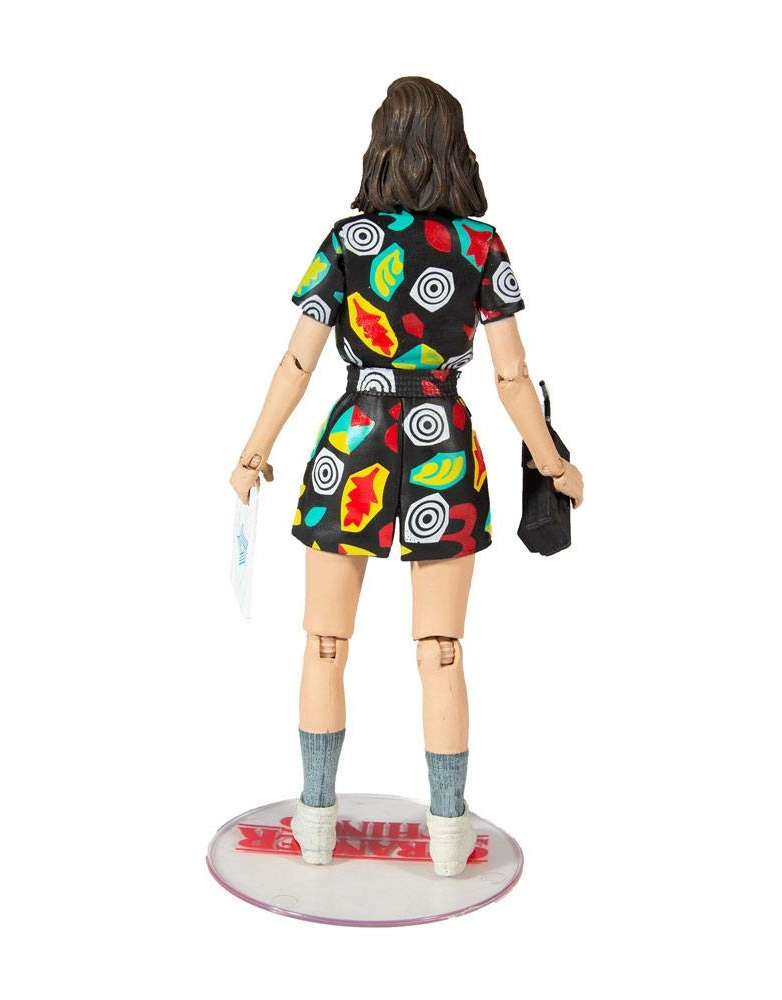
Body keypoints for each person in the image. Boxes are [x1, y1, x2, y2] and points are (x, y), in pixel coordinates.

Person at [229, 76, 584, 877]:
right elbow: (510, 376)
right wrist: (553, 463)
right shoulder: (480, 245)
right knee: (442, 651)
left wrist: (254, 451)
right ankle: (449, 836)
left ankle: (315, 823)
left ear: (381, 146)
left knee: (325, 644)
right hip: (442, 446)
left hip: (353, 442)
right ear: (457, 150)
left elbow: (296, 360)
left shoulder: (348, 241)